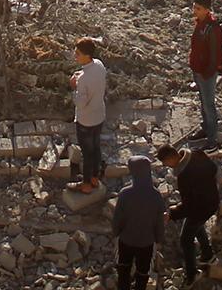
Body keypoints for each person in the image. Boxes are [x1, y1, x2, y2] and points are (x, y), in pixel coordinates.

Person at [157, 143, 219, 286]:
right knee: (196, 226)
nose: (166, 166)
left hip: (201, 208)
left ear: (170, 159)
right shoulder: (196, 151)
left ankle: (192, 275)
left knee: (185, 239)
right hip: (212, 200)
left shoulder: (184, 176)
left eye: (165, 163)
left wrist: (171, 213)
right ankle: (208, 255)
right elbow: (213, 168)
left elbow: (189, 206)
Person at [109, 154, 166, 290]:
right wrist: (159, 239)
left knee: (123, 269)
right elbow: (160, 221)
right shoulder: (156, 195)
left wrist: (116, 232)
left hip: (126, 240)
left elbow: (118, 218)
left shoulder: (125, 193)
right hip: (146, 243)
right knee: (143, 272)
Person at [188, 0, 222, 147]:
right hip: (198, 70)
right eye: (194, 7)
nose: (194, 11)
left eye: (198, 8)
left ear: (207, 10)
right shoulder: (201, 23)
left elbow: (215, 55)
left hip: (206, 72)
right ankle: (205, 129)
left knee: (209, 104)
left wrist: (207, 73)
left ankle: (212, 140)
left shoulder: (213, 29)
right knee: (203, 102)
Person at [69, 37, 109, 193]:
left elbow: (80, 103)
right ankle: (94, 177)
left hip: (85, 120)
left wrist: (74, 87)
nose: (75, 56)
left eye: (78, 54)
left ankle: (86, 184)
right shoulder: (99, 65)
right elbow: (91, 75)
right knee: (96, 148)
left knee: (87, 152)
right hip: (99, 115)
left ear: (86, 55)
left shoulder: (83, 80)